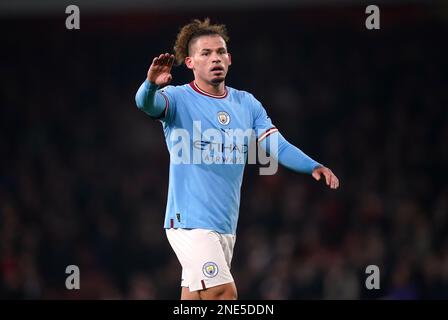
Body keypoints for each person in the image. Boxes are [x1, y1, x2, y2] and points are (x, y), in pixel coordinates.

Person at [135, 18, 339, 300]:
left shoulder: (247, 104)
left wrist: (312, 165)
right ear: (190, 62)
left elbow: (275, 145)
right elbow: (146, 104)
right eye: (205, 53)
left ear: (229, 59)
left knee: (194, 298)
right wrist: (149, 85)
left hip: (224, 226)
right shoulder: (177, 98)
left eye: (220, 52)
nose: (215, 58)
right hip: (189, 223)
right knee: (223, 293)